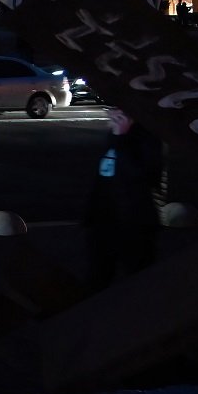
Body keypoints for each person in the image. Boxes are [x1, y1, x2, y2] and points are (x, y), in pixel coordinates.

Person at [84, 108, 163, 290]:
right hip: (103, 219)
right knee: (97, 278)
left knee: (138, 280)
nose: (110, 115)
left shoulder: (148, 136)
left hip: (134, 222)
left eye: (117, 112)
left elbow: (144, 176)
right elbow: (102, 177)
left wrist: (121, 137)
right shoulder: (115, 135)